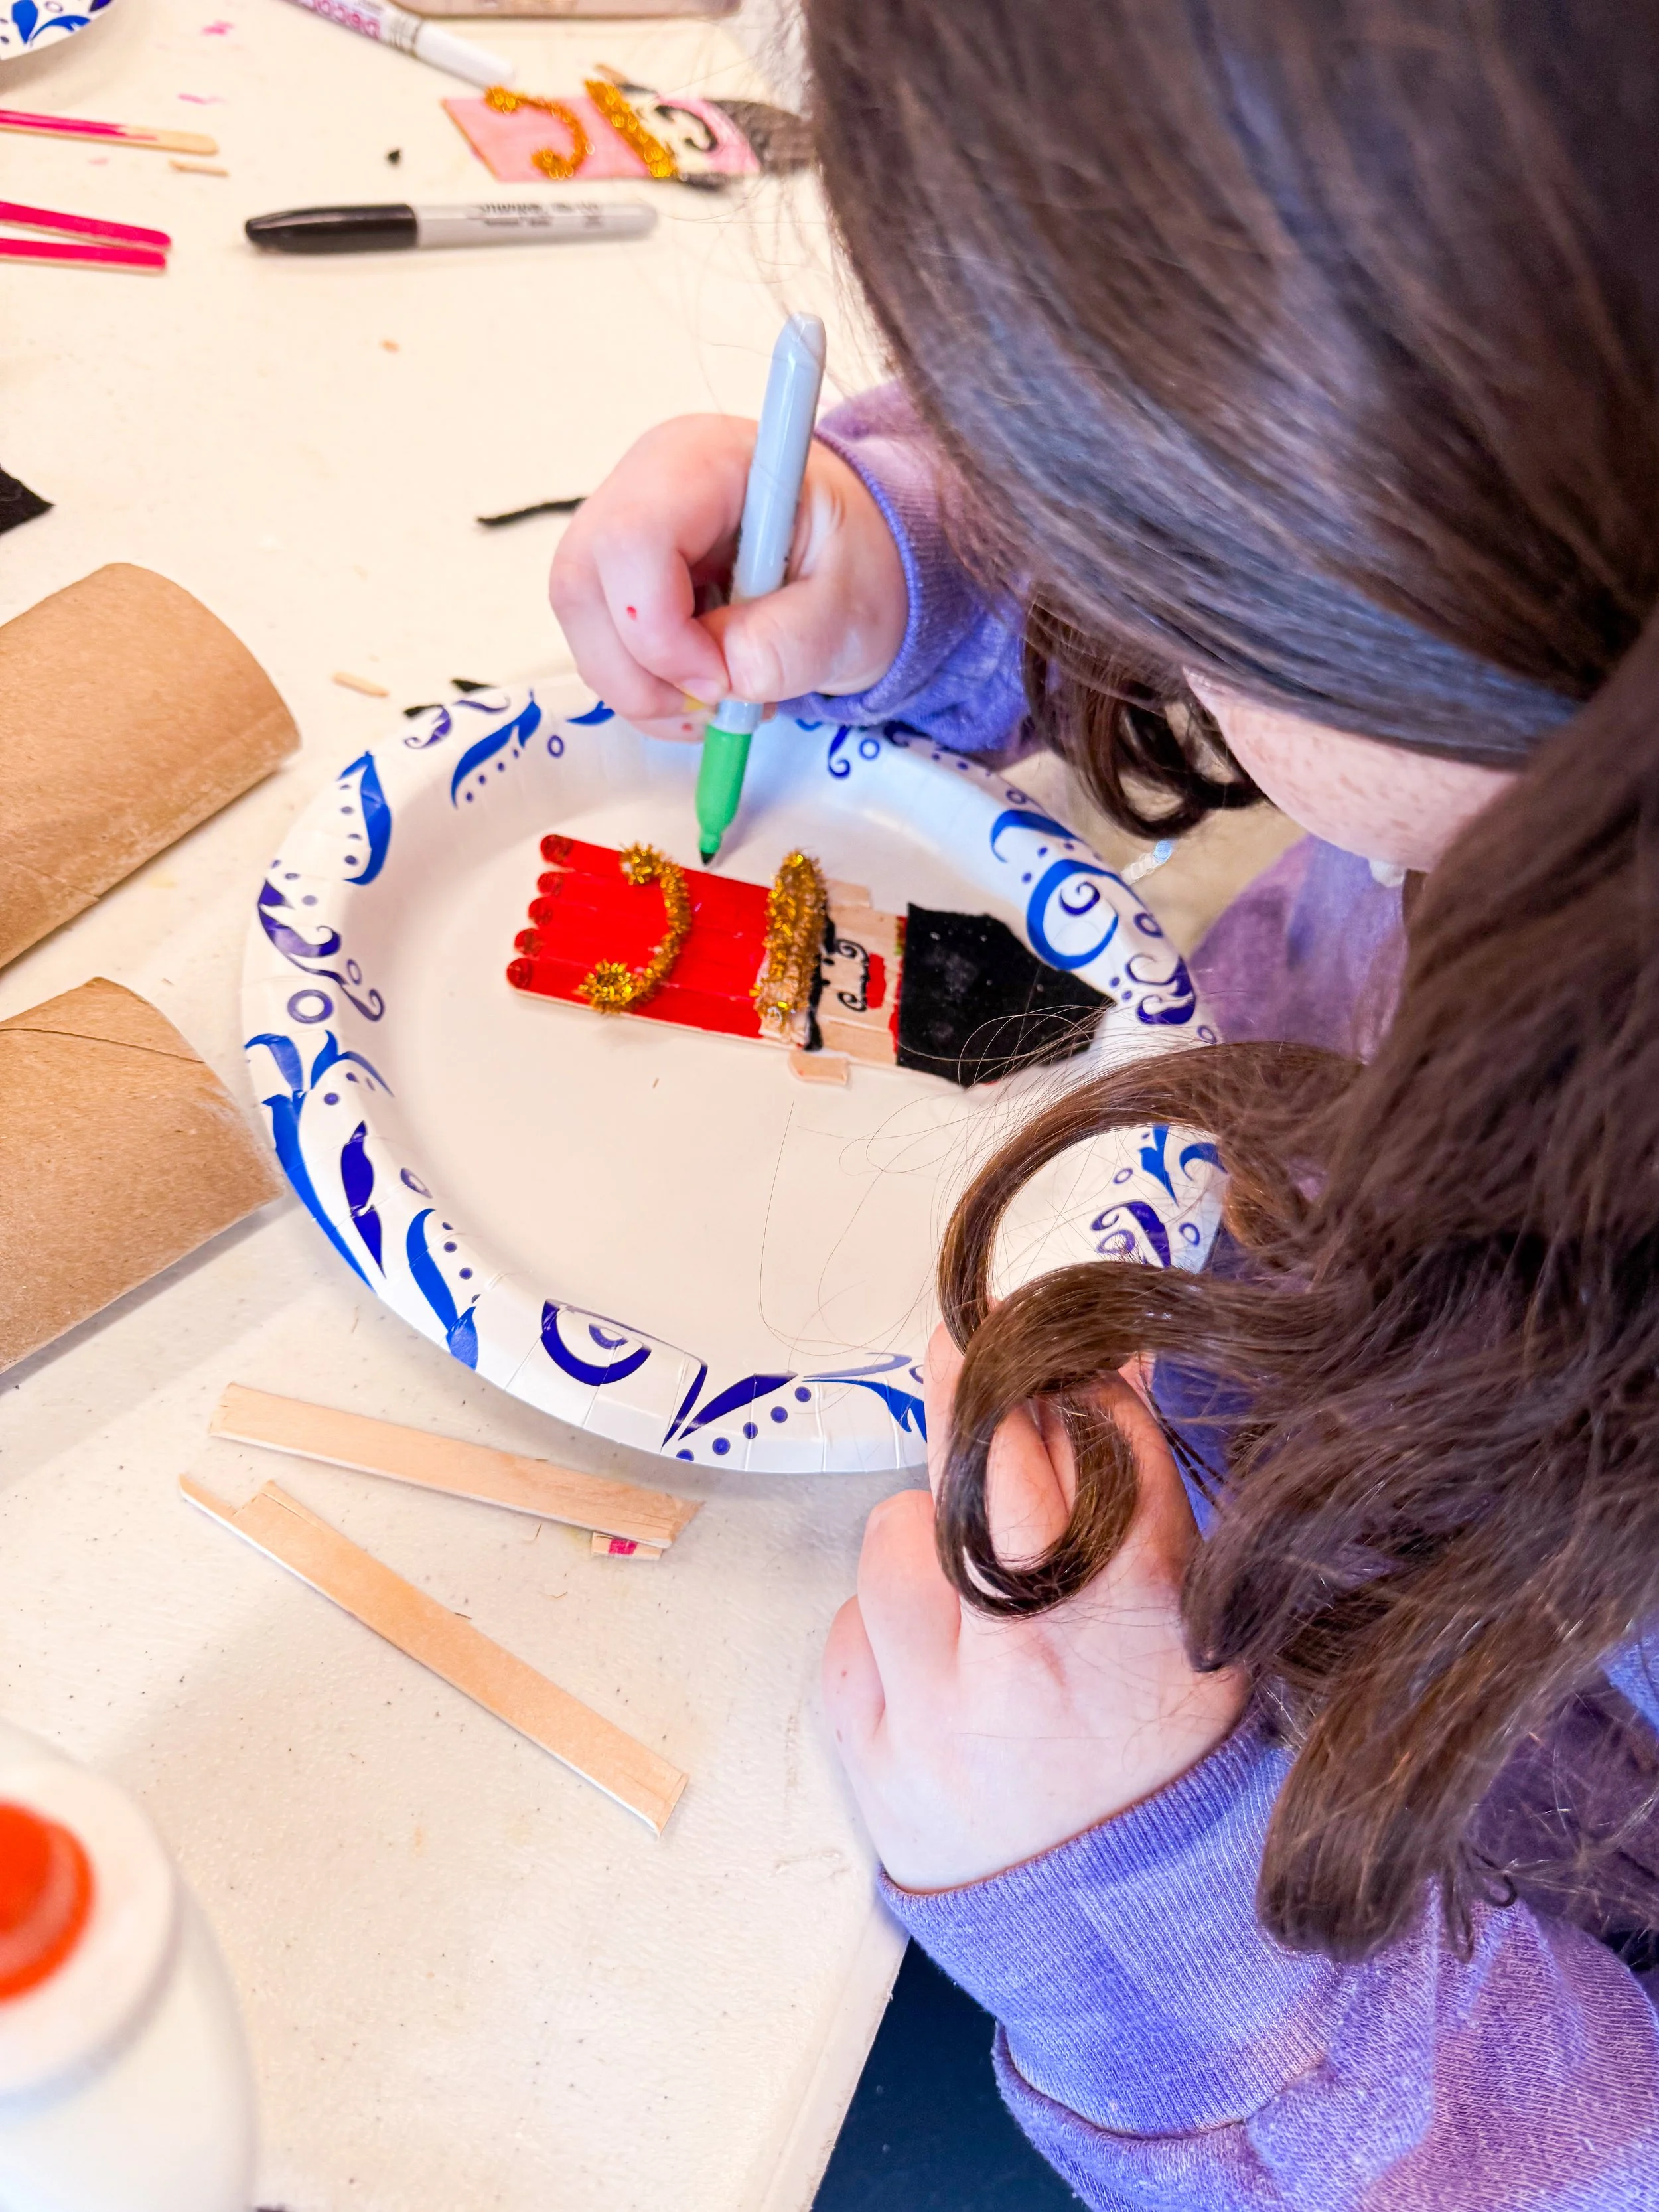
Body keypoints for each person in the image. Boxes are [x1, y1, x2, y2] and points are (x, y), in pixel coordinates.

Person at [549, 4, 1659, 2201]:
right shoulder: (1536, 653)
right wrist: (909, 561)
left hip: (1361, 1967)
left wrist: (1150, 1894)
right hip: (1186, 1503)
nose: (1114, 586)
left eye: (1147, 534)